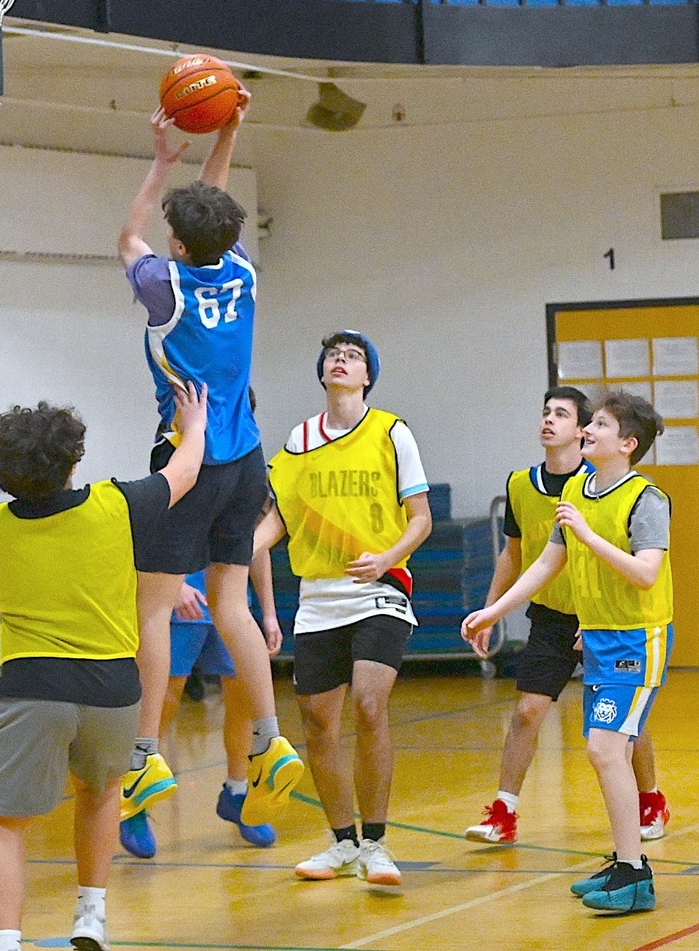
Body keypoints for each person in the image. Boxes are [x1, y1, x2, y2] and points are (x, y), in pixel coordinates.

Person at [0, 383, 207, 951]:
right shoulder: (115, 504)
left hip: (32, 688)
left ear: (5, 471)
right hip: (113, 688)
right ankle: (90, 915)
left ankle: (5, 941)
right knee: (100, 796)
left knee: (2, 821)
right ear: (73, 457)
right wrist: (192, 423)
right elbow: (186, 472)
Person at [117, 97, 303, 831]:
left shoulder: (165, 287)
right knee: (231, 607)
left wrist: (163, 160)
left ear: (180, 244)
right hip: (247, 457)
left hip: (186, 456)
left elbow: (127, 235)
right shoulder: (242, 272)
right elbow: (212, 214)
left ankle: (143, 753)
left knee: (153, 607)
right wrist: (228, 130)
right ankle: (266, 737)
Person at [463, 390, 672, 914]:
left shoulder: (646, 498)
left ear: (626, 443)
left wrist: (588, 536)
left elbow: (646, 572)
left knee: (605, 749)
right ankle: (629, 865)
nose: (587, 431)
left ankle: (634, 869)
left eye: (597, 424)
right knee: (610, 752)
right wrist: (495, 611)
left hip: (637, 637)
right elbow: (546, 563)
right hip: (598, 634)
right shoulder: (578, 488)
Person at [254, 331, 432, 886]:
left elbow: (420, 517)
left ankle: (377, 843)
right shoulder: (300, 438)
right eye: (333, 353)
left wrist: (387, 558)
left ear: (367, 376)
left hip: (380, 589)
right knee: (316, 720)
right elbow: (282, 515)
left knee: (370, 704)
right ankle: (341, 843)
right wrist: (246, 548)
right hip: (319, 597)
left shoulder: (391, 431)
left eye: (352, 356)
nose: (341, 360)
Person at [119, 562, 283, 858]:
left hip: (230, 603)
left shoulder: (249, 515)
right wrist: (172, 586)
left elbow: (255, 547)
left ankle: (236, 790)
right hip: (180, 598)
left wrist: (268, 612)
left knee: (243, 692)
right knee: (163, 699)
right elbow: (148, 531)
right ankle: (135, 796)